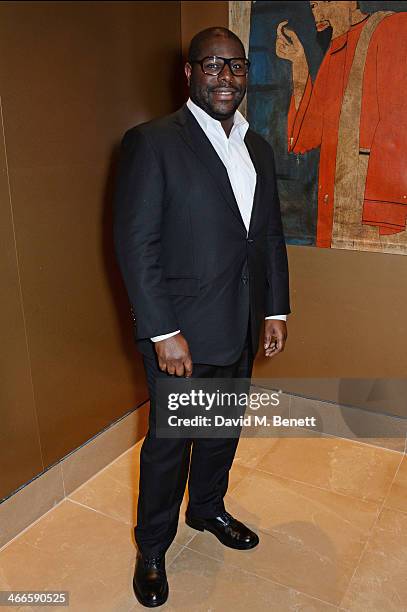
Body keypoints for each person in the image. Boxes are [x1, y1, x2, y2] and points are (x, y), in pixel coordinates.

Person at [114, 27, 290, 608]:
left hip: (238, 324)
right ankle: (153, 548)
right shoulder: (153, 142)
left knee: (220, 433)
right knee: (170, 446)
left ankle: (208, 510)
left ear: (246, 74)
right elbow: (136, 245)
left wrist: (274, 308)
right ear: (189, 73)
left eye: (236, 66)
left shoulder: (256, 147)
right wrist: (164, 331)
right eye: (212, 66)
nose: (226, 77)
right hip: (180, 336)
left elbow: (266, 237)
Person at [276, 1, 407, 249]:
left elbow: (398, 124)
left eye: (317, 3)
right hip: (335, 214)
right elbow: (306, 136)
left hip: (377, 220)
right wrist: (299, 63)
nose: (313, 10)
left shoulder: (391, 27)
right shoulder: (337, 49)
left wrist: (386, 214)